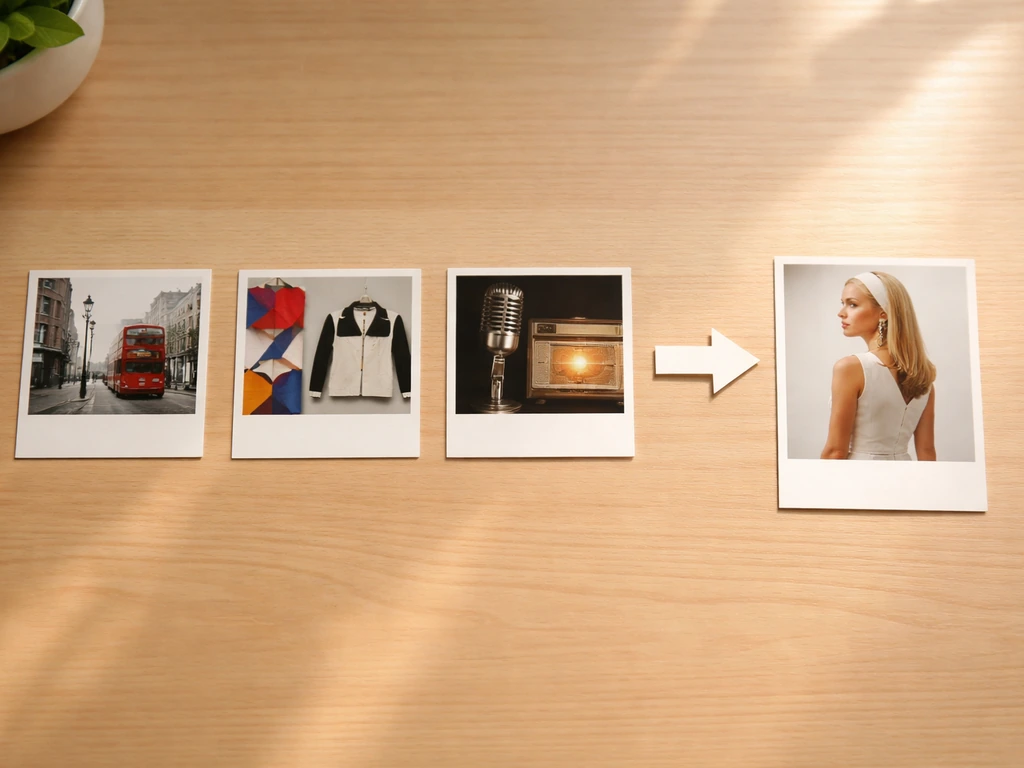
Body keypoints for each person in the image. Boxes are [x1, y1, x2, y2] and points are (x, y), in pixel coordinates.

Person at [821, 271, 937, 461]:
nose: (841, 313)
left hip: (861, 479)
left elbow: (835, 452)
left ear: (883, 312)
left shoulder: (851, 368)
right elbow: (927, 453)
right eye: (843, 304)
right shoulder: (923, 377)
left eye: (852, 304)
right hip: (905, 481)